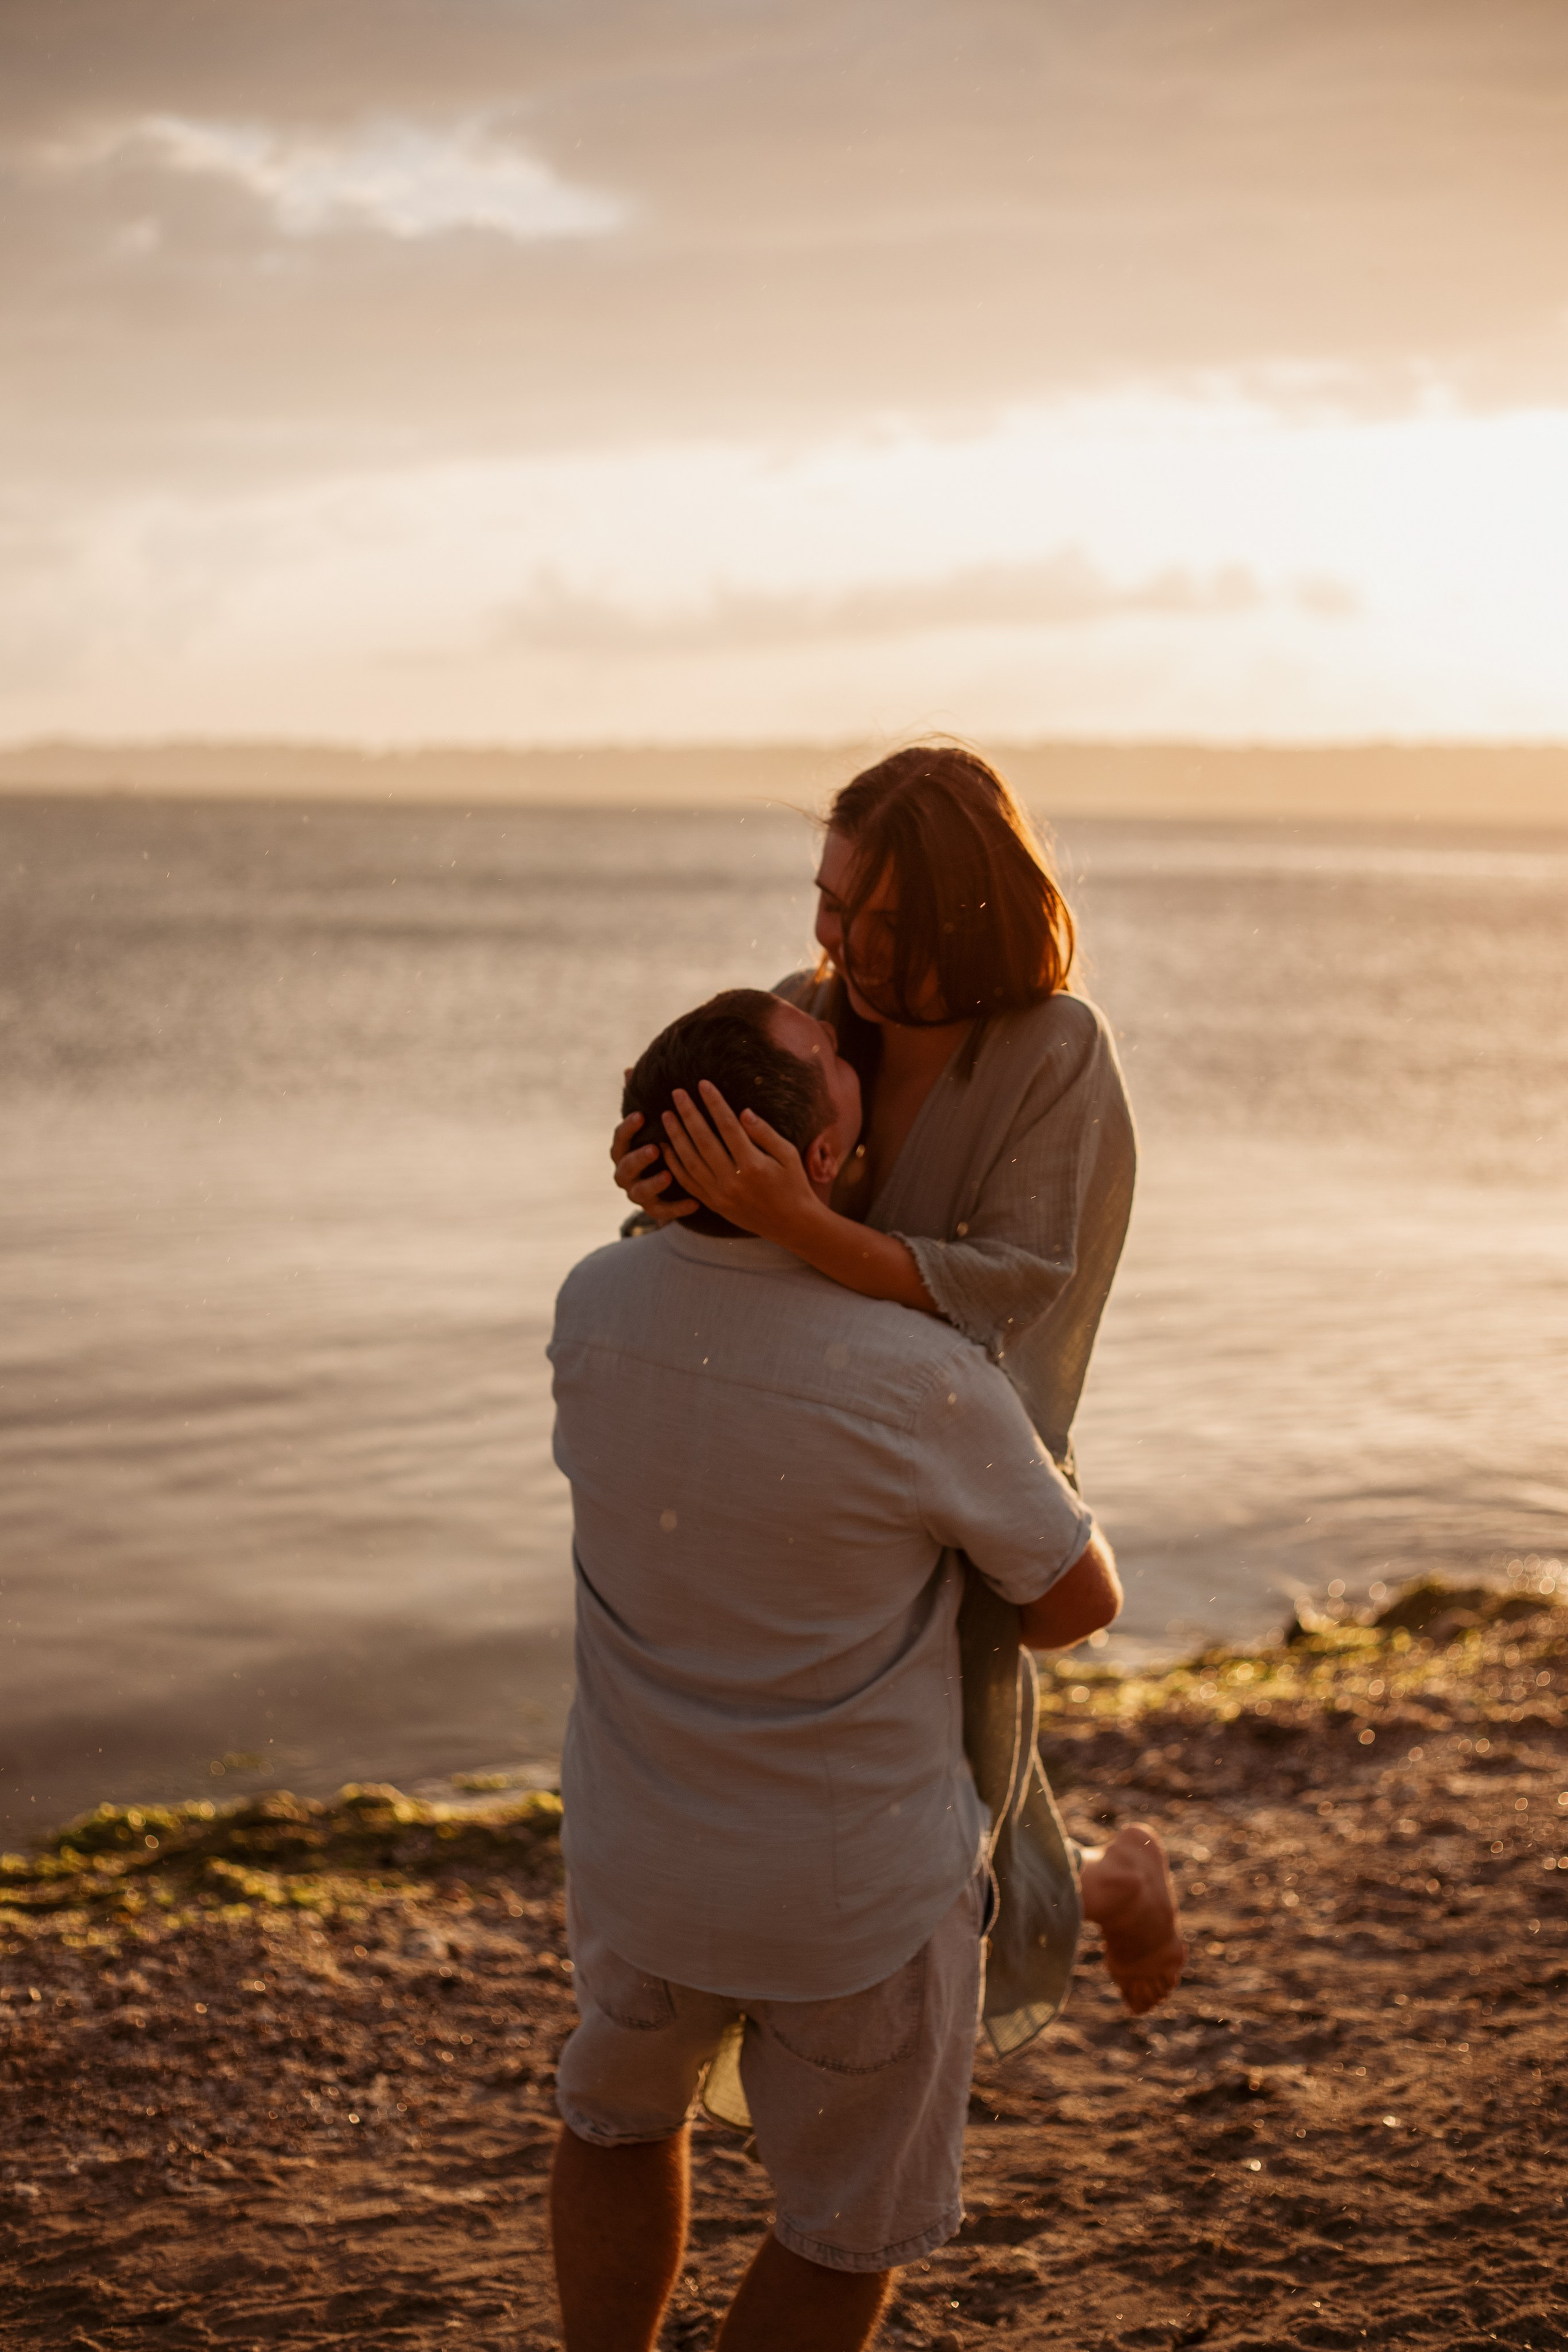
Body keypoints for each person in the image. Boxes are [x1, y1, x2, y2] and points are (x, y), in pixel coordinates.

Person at [549, 987, 1170, 2352]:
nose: (840, 1030)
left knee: (612, 2122)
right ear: (814, 1168)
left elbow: (688, 1304)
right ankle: (1112, 1891)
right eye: (831, 1060)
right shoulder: (915, 1375)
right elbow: (1075, 1603)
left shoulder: (591, 1305)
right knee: (842, 2231)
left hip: (636, 1859)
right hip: (847, 1903)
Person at [612, 744, 1185, 2029]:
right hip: (790, 1469)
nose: (842, 944)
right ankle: (1100, 1885)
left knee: (951, 1811)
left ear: (969, 915)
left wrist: (799, 1223)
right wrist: (663, 1186)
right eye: (830, 901)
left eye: (883, 921)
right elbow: (714, 1248)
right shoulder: (798, 1015)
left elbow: (1017, 1284)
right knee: (849, 1800)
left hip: (964, 1467)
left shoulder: (1052, 1052)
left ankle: (1098, 1894)